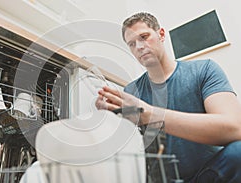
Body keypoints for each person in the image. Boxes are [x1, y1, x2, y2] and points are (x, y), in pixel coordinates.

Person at [95, 12, 241, 182]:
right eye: (132, 44)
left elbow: (235, 128)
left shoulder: (204, 70)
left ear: (161, 34)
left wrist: (149, 114)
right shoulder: (131, 91)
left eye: (144, 37)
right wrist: (107, 118)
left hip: (211, 173)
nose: (139, 47)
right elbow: (125, 148)